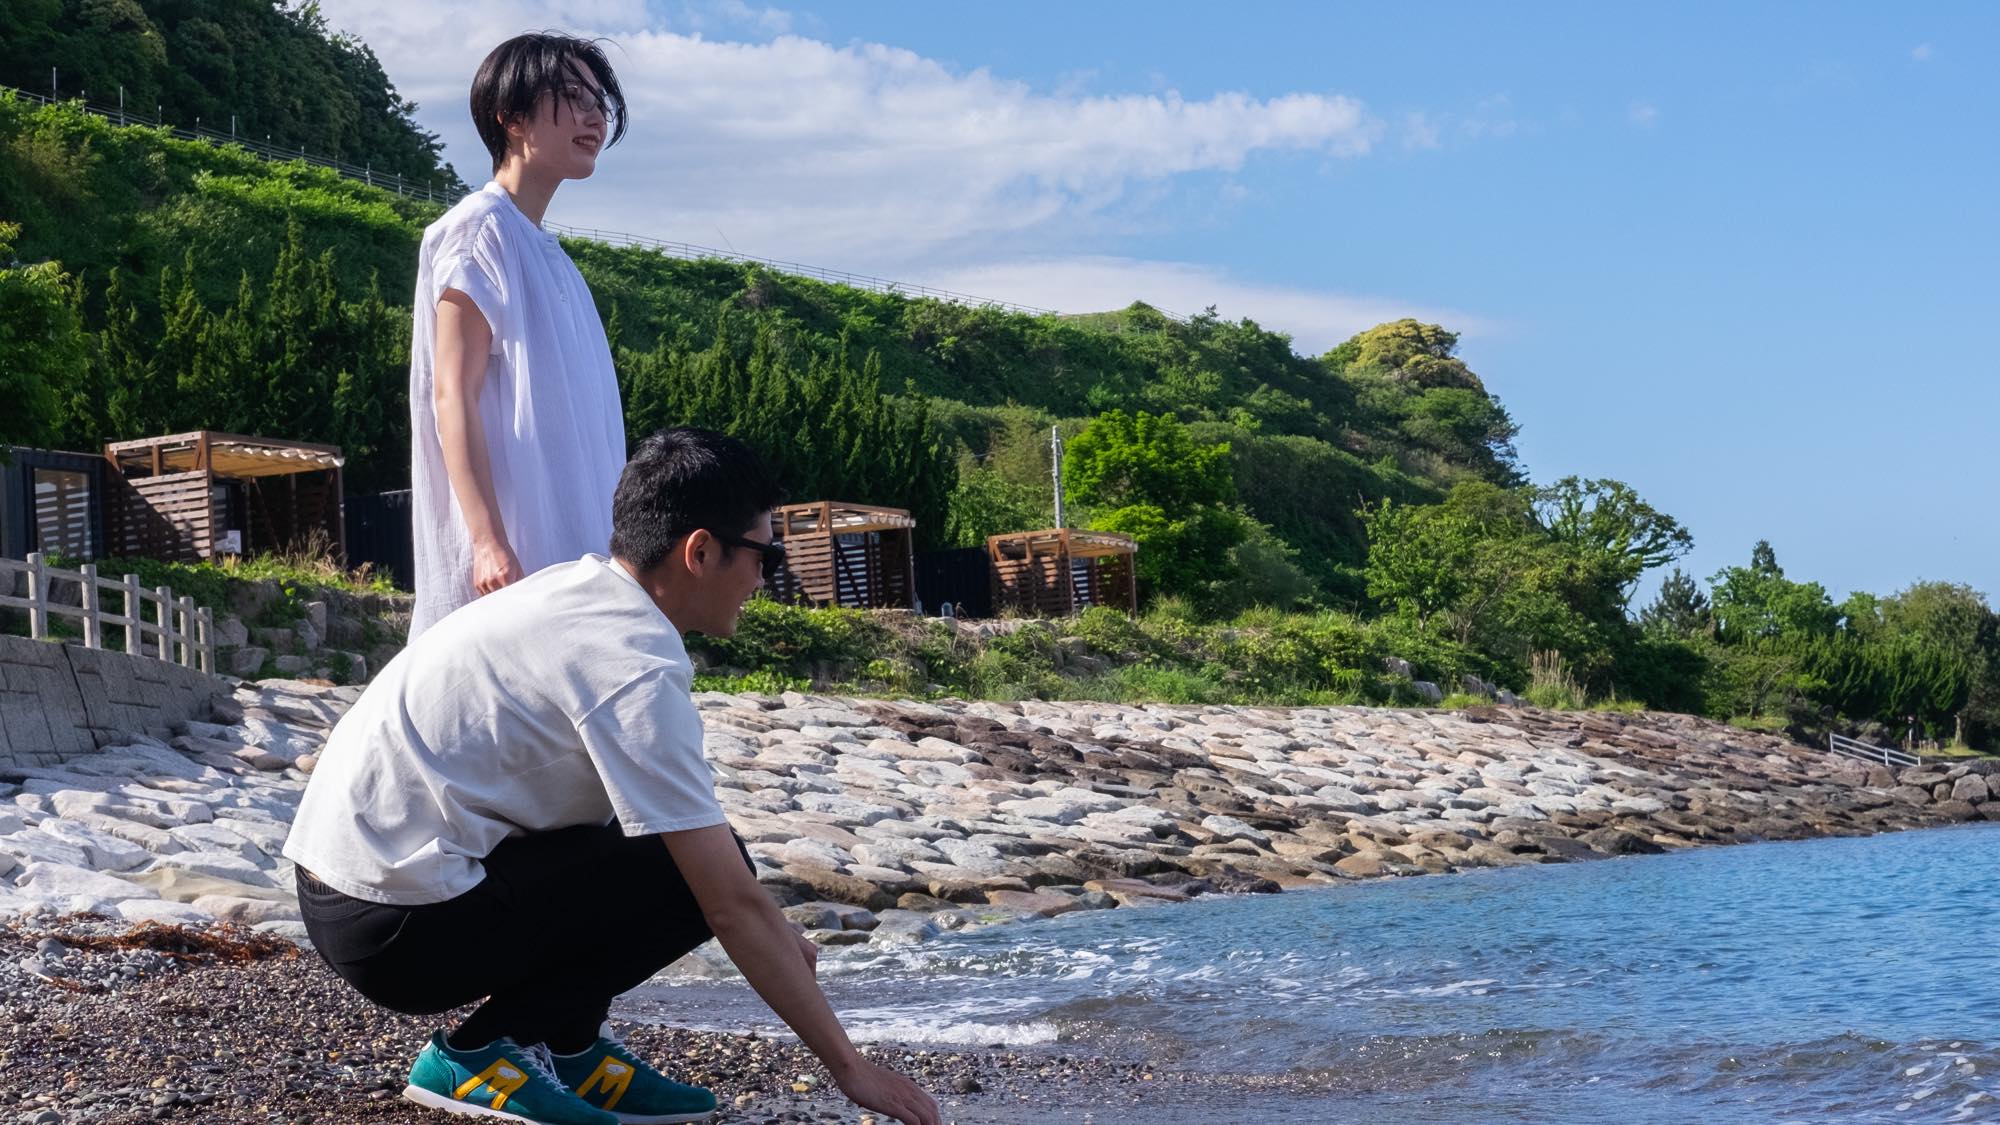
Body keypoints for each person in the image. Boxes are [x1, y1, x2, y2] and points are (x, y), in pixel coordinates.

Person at [283, 428, 942, 1125]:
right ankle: (479, 1052)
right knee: (687, 874)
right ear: (701, 550)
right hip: (391, 924)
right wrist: (851, 1065)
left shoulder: (584, 591)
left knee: (649, 845)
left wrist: (772, 927)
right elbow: (725, 900)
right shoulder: (631, 666)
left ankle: (570, 1045)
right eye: (765, 556)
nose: (763, 579)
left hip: (357, 886)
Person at [408, 32, 631, 640]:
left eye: (600, 101)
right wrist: (486, 541)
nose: (595, 115)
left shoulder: (555, 259)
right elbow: (450, 393)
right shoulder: (478, 231)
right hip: (513, 562)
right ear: (510, 116)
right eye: (573, 97)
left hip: (575, 551)